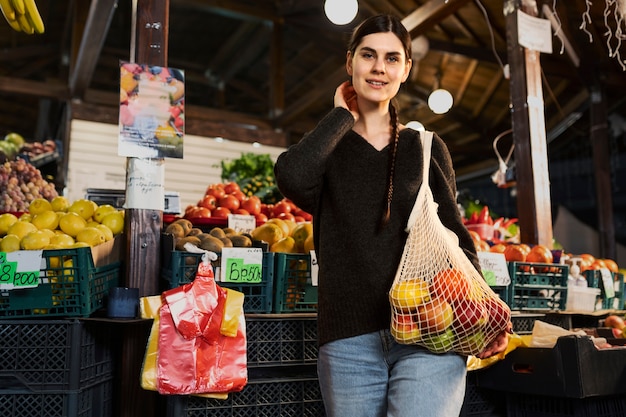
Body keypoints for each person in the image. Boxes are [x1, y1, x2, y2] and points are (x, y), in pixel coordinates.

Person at [274, 14, 510, 417]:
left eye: (391, 58)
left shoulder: (425, 147)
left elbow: (456, 237)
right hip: (348, 339)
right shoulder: (329, 147)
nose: (379, 67)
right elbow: (292, 179)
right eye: (368, 55)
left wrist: (484, 314)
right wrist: (340, 116)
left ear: (405, 69)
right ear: (350, 63)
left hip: (431, 332)